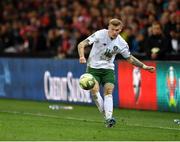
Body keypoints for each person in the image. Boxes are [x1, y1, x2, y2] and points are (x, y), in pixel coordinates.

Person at [77, 18, 155, 128]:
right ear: (108, 27)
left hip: (108, 69)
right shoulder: (100, 34)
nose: (115, 32)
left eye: (117, 30)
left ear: (121, 30)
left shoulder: (122, 43)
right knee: (95, 90)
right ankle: (106, 115)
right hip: (93, 68)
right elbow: (81, 44)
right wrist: (81, 56)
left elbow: (130, 59)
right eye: (113, 29)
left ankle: (109, 119)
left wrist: (144, 66)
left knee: (108, 90)